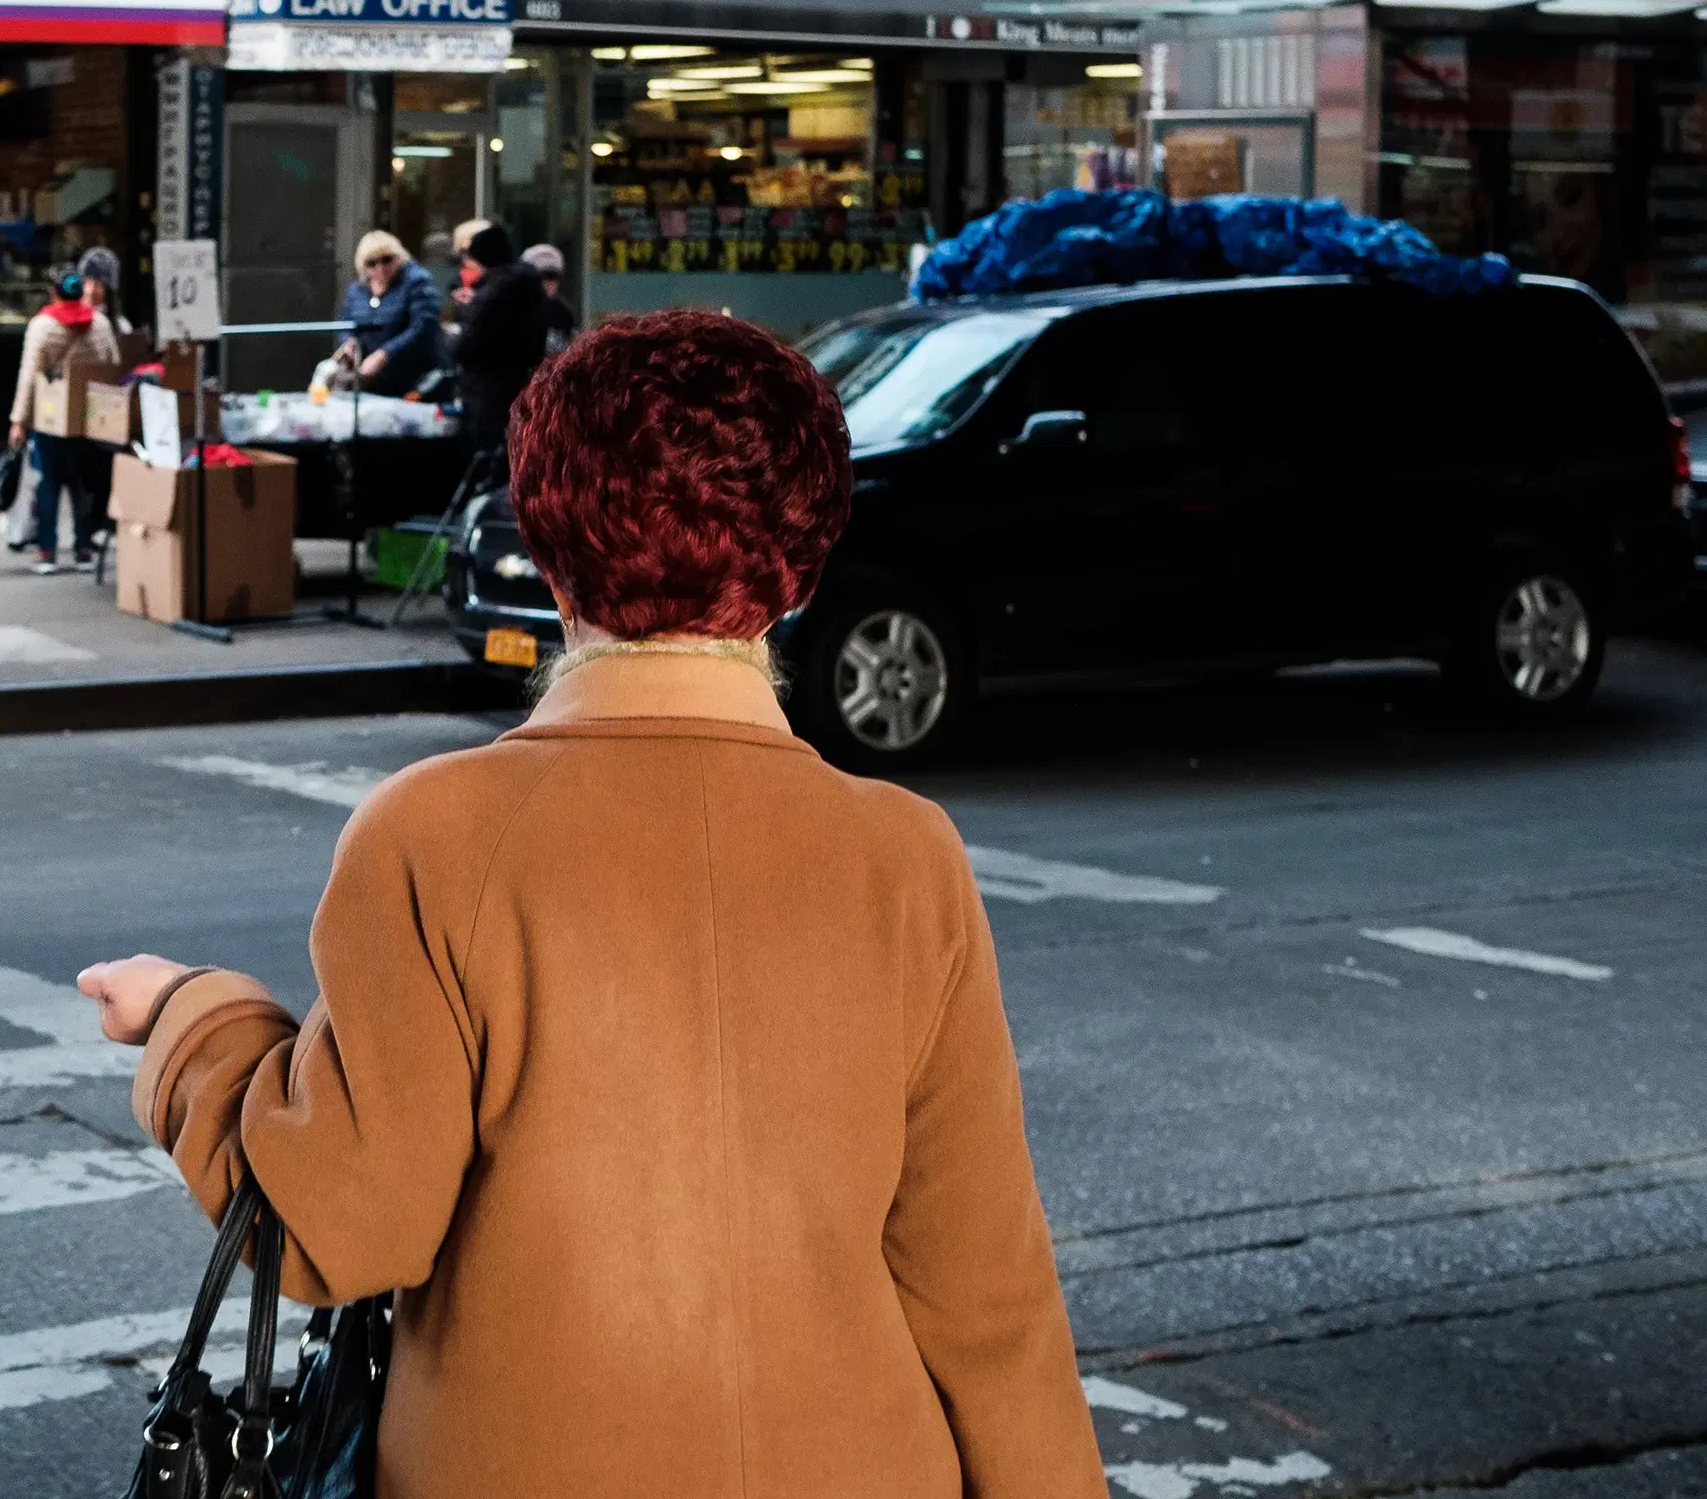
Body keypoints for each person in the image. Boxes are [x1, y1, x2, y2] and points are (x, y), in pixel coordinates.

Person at [77, 309, 1107, 1499]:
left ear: (551, 551)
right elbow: (985, 1287)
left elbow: (340, 1223)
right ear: (799, 565)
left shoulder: (436, 831)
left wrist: (197, 1022)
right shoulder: (905, 854)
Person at [6, 248, 127, 575]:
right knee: (80, 484)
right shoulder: (100, 324)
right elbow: (113, 365)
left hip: (49, 417)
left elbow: (29, 375)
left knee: (48, 483)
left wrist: (18, 419)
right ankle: (84, 549)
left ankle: (47, 552)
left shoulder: (42, 326)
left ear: (53, 292)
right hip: (87, 416)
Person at [446, 224, 549, 456]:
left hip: (486, 390)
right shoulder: (524, 281)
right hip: (517, 381)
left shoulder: (497, 291)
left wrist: (466, 311)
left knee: (484, 455)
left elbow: (470, 341)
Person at [336, 230, 444, 397]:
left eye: (387, 260)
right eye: (372, 263)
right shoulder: (356, 290)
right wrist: (347, 343)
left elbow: (423, 327)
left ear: (398, 257)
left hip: (412, 377)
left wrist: (384, 354)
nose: (380, 268)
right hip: (368, 381)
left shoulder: (417, 281)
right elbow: (345, 324)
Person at [522, 242, 575, 353]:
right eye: (541, 276)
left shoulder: (563, 314)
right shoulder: (510, 310)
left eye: (553, 276)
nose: (547, 283)